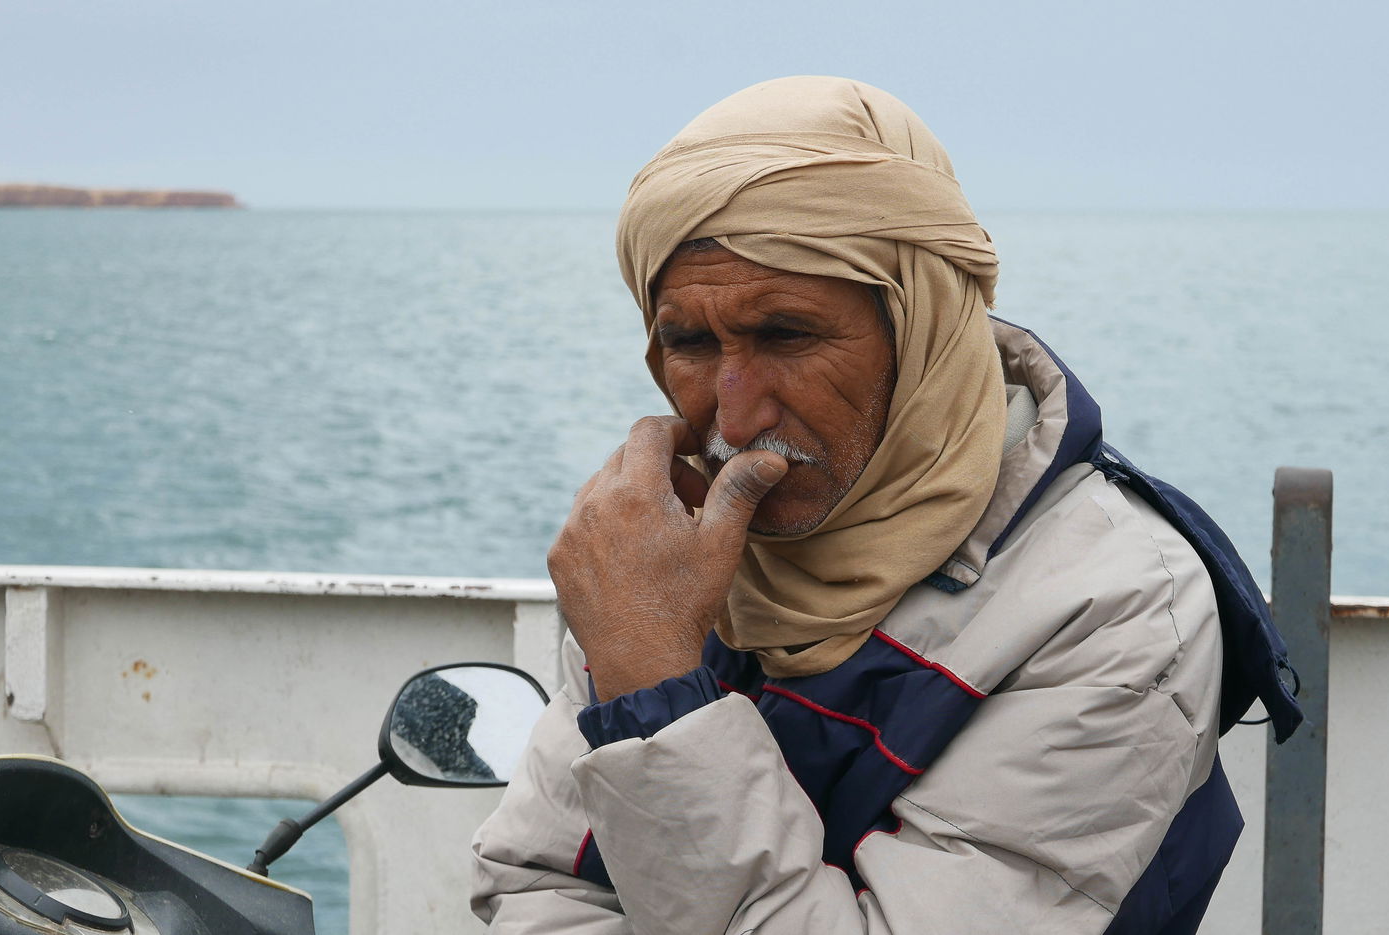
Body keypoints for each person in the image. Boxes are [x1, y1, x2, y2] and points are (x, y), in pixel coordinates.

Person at [470, 76, 1300, 934]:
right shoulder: (666, 562)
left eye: (786, 335)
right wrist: (647, 648)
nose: (735, 411)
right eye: (687, 341)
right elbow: (534, 881)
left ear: (926, 327)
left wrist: (658, 697)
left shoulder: (1110, 605)